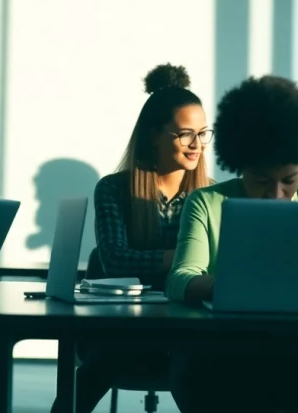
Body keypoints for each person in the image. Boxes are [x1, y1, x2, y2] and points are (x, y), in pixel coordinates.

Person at [166, 75, 298, 413]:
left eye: (290, 181)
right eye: (261, 181)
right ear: (240, 167)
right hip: (228, 347)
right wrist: (238, 287)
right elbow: (180, 279)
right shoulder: (206, 203)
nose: (276, 194)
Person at [52, 63, 213, 413]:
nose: (196, 144)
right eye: (185, 133)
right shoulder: (113, 189)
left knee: (205, 368)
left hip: (186, 330)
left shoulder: (213, 195)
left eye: (203, 133)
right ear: (154, 134)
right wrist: (187, 259)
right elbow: (115, 260)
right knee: (102, 363)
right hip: (121, 327)